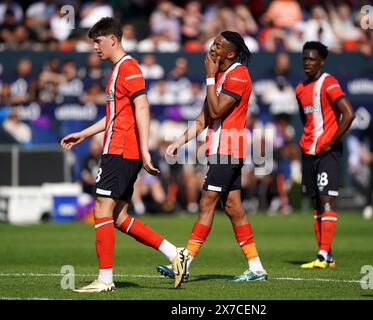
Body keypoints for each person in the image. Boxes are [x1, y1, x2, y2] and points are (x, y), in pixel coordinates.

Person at [60, 17, 188, 292]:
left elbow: (142, 108)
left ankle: (105, 280)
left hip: (121, 150)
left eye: (98, 41)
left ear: (113, 39)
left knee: (101, 209)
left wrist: (144, 151)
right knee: (117, 217)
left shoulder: (128, 68)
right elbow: (114, 116)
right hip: (120, 148)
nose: (95, 47)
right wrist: (83, 133)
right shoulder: (117, 70)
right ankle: (175, 253)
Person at [156, 31, 268, 282]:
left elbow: (217, 108)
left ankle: (184, 263)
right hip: (220, 149)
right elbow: (204, 118)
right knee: (234, 208)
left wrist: (208, 77)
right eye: (213, 42)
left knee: (207, 202)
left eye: (219, 45)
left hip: (228, 149)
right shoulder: (220, 76)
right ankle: (256, 267)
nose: (212, 47)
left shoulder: (238, 75)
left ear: (230, 53)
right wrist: (179, 141)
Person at [296, 41, 355, 269]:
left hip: (327, 150)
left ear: (322, 61)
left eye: (312, 59)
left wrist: (330, 140)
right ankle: (325, 254)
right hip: (308, 150)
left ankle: (322, 255)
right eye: (304, 59)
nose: (307, 63)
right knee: (315, 203)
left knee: (327, 198)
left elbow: (348, 113)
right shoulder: (300, 88)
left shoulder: (328, 83)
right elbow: (305, 118)